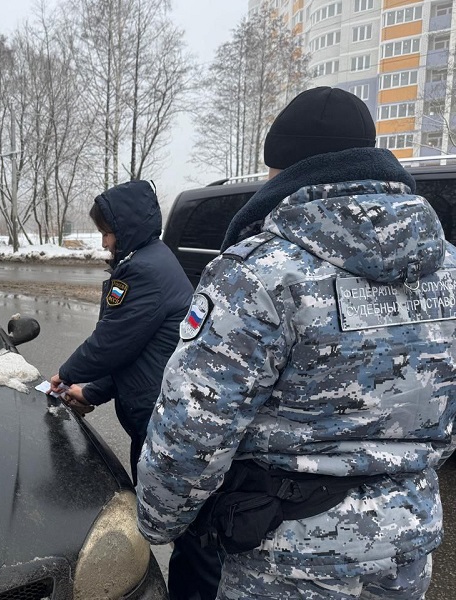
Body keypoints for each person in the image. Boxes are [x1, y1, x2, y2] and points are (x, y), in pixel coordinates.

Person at [136, 86, 456, 599]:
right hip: (407, 550)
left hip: (287, 561)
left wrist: (157, 523)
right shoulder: (450, 269)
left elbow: (193, 428)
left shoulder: (258, 273)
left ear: (280, 170)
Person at [49, 179, 221, 600]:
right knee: (183, 524)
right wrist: (90, 394)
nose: (104, 240)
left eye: (107, 230)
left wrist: (65, 375)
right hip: (156, 412)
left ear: (125, 228)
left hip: (163, 420)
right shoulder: (150, 260)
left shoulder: (142, 270)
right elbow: (135, 351)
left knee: (191, 532)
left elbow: (112, 343)